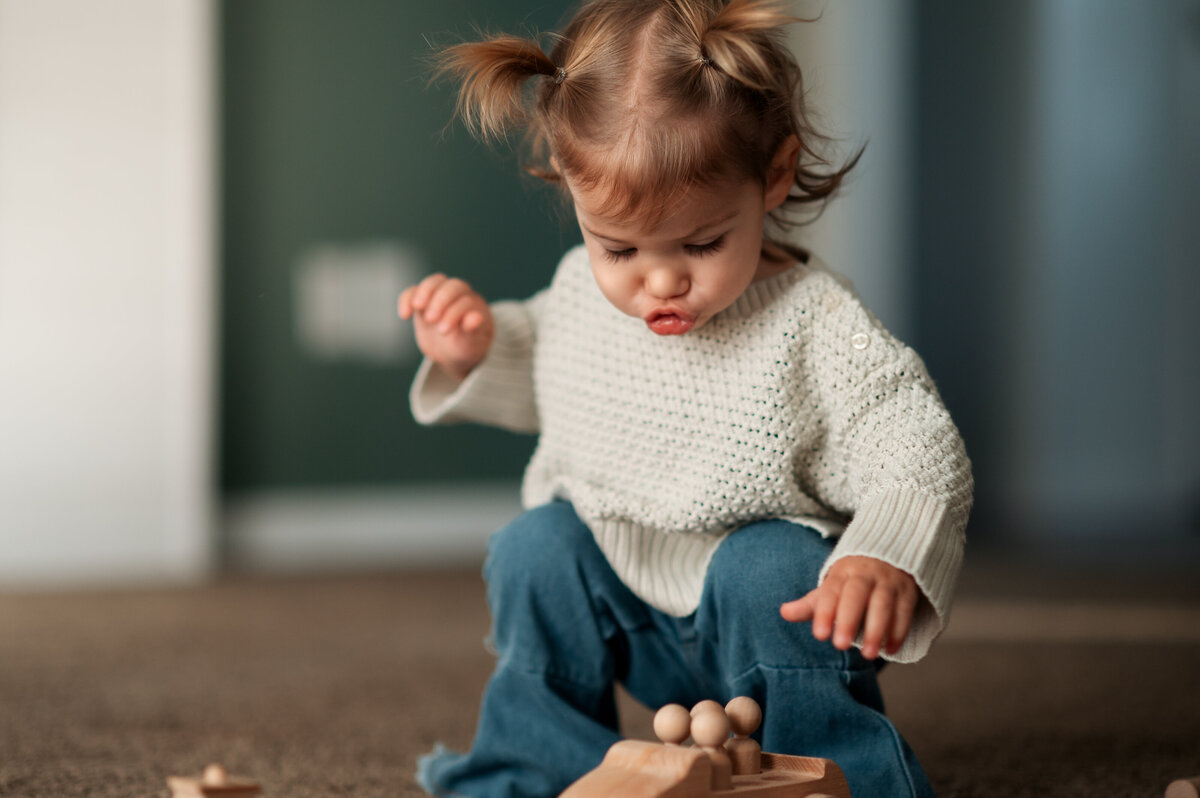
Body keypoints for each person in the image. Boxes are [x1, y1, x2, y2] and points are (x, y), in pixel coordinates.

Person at [399, 1, 972, 796]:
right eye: (620, 248)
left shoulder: (816, 323)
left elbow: (913, 438)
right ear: (571, 191)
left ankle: (843, 769)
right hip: (625, 606)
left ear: (773, 177)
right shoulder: (578, 294)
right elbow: (539, 356)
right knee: (534, 547)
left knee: (768, 561)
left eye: (702, 243)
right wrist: (472, 351)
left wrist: (884, 549)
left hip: (771, 621)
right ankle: (530, 767)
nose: (660, 281)